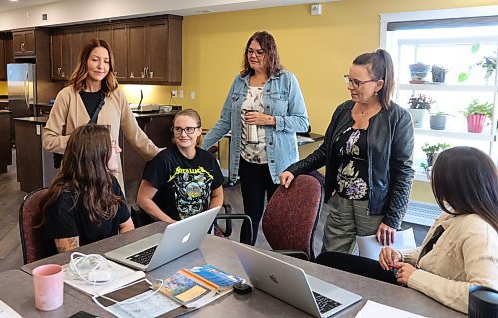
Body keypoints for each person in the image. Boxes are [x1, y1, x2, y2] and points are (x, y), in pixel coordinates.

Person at [316, 146, 498, 314]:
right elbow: (434, 252)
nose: (433, 182)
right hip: (415, 279)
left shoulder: (478, 229)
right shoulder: (452, 213)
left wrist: (416, 277)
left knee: (332, 263)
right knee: (328, 259)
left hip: (423, 293)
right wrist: (402, 255)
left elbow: (485, 298)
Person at [280, 49, 414, 253]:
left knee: (370, 266)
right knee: (331, 258)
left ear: (379, 84)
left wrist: (393, 218)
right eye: (349, 80)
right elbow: (326, 151)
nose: (350, 87)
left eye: (357, 82)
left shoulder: (398, 118)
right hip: (340, 202)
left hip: (374, 208)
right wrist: (295, 169)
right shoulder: (344, 110)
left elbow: (403, 172)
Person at [202, 31, 309, 245]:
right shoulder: (240, 81)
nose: (254, 56)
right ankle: (245, 261)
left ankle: (284, 265)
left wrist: (269, 120)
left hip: (279, 164)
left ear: (270, 54)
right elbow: (225, 121)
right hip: (248, 162)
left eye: (260, 52)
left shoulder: (286, 80)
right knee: (250, 216)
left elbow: (302, 122)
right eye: (250, 51)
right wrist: (201, 147)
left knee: (280, 220)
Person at [43, 38, 160, 193]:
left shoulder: (116, 96)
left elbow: (135, 134)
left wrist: (159, 155)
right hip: (76, 176)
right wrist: (84, 142)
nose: (101, 66)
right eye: (95, 60)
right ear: (85, 61)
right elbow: (49, 140)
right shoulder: (66, 96)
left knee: (114, 215)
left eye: (106, 61)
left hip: (109, 177)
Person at [40, 125, 135, 255]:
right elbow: (72, 258)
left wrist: (123, 256)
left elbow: (127, 226)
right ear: (96, 153)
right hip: (80, 270)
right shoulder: (63, 200)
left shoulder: (111, 183)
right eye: (113, 145)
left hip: (109, 264)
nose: (119, 149)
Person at [137, 109, 224, 223]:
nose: (183, 134)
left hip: (200, 227)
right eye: (178, 129)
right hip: (169, 227)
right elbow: (143, 199)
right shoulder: (163, 160)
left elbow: (217, 196)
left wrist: (208, 220)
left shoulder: (209, 160)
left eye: (189, 129)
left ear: (199, 131)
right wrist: (173, 224)